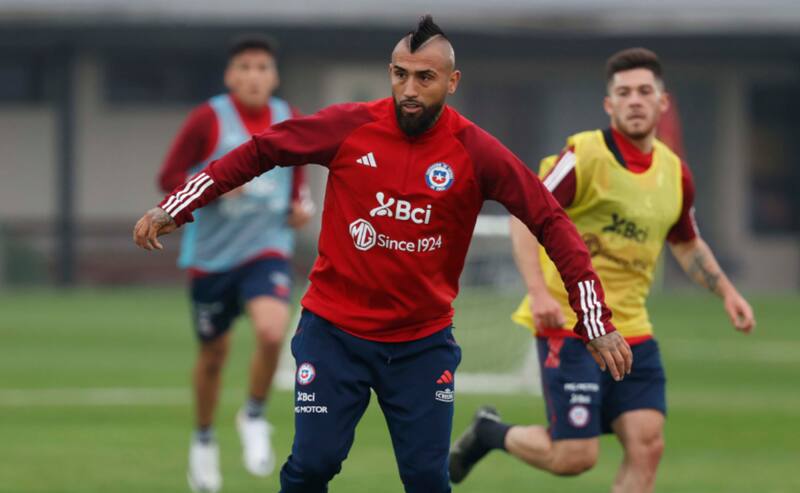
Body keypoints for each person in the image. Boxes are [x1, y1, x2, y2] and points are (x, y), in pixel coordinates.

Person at [134, 16, 632, 493]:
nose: (410, 89)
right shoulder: (350, 127)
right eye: (400, 75)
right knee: (311, 467)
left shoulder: (476, 151)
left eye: (425, 77)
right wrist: (178, 206)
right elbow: (260, 150)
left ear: (452, 81)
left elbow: (551, 220)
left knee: (425, 481)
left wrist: (594, 319)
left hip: (421, 345)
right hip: (334, 336)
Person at [449, 47, 756, 493]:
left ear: (662, 102)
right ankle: (490, 432)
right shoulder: (585, 156)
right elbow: (524, 213)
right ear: (609, 104)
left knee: (647, 444)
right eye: (624, 92)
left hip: (634, 330)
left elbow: (686, 242)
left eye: (644, 91)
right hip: (572, 327)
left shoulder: (676, 175)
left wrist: (728, 293)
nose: (635, 100)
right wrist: (537, 292)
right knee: (576, 457)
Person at [157, 35, 313, 493]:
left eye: (262, 67)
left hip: (266, 250)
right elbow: (168, 176)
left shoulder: (290, 119)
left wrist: (301, 206)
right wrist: (213, 186)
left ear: (275, 76)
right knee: (214, 355)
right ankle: (203, 442)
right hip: (211, 259)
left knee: (271, 331)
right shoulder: (209, 118)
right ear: (229, 76)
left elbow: (298, 175)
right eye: (244, 67)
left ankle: (254, 414)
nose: (253, 75)